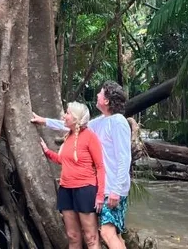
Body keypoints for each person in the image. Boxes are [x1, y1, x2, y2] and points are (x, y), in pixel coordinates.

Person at [33, 82, 131, 249]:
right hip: (101, 187)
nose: (97, 96)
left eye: (100, 93)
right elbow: (71, 124)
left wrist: (116, 190)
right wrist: (43, 121)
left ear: (107, 101)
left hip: (113, 188)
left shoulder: (118, 122)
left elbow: (124, 158)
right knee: (111, 234)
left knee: (107, 233)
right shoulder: (99, 122)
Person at [39, 101, 105, 249]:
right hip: (66, 189)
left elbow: (100, 167)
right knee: (73, 236)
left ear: (76, 118)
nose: (64, 116)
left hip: (85, 189)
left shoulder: (89, 136)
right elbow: (64, 160)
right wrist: (47, 151)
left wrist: (100, 195)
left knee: (91, 237)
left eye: (67, 113)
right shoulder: (69, 136)